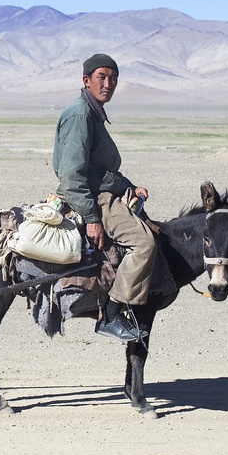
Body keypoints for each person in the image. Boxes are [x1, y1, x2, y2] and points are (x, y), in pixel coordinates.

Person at [52, 53, 156, 342]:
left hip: (100, 191)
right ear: (86, 80)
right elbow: (72, 175)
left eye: (113, 78)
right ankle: (110, 314)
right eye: (102, 77)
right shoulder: (80, 114)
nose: (108, 83)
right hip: (92, 198)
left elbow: (100, 167)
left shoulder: (93, 111)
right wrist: (91, 218)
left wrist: (129, 187)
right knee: (144, 244)